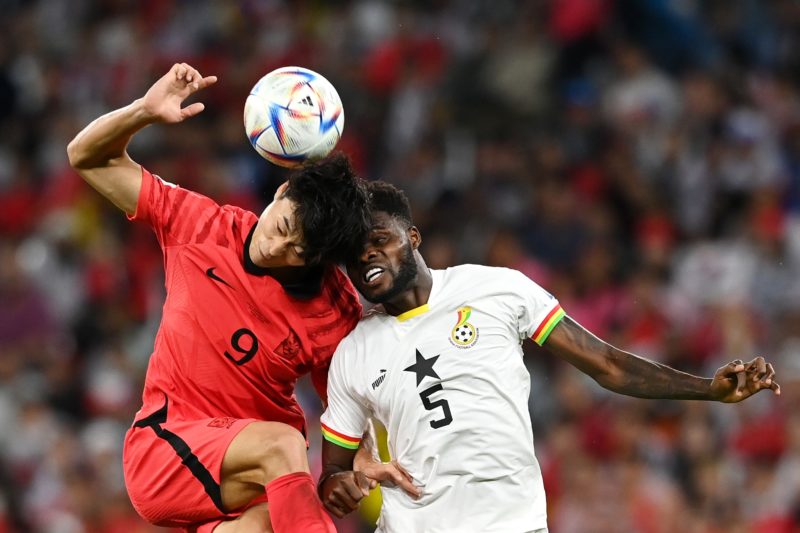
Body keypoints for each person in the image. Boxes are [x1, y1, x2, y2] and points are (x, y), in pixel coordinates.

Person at [317, 181, 781, 533]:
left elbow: (609, 365)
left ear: (413, 237)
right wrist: (344, 485)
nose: (368, 257)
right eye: (354, 255)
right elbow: (333, 476)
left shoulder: (497, 288)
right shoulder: (354, 352)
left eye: (380, 239)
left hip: (514, 524)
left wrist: (707, 390)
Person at [67, 63, 372, 533]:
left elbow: (345, 405)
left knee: (282, 512)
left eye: (300, 252)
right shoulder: (199, 227)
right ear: (282, 191)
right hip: (165, 449)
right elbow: (84, 156)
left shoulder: (333, 308)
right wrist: (143, 112)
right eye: (284, 227)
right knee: (283, 447)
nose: (278, 248)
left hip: (248, 480)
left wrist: (347, 468)